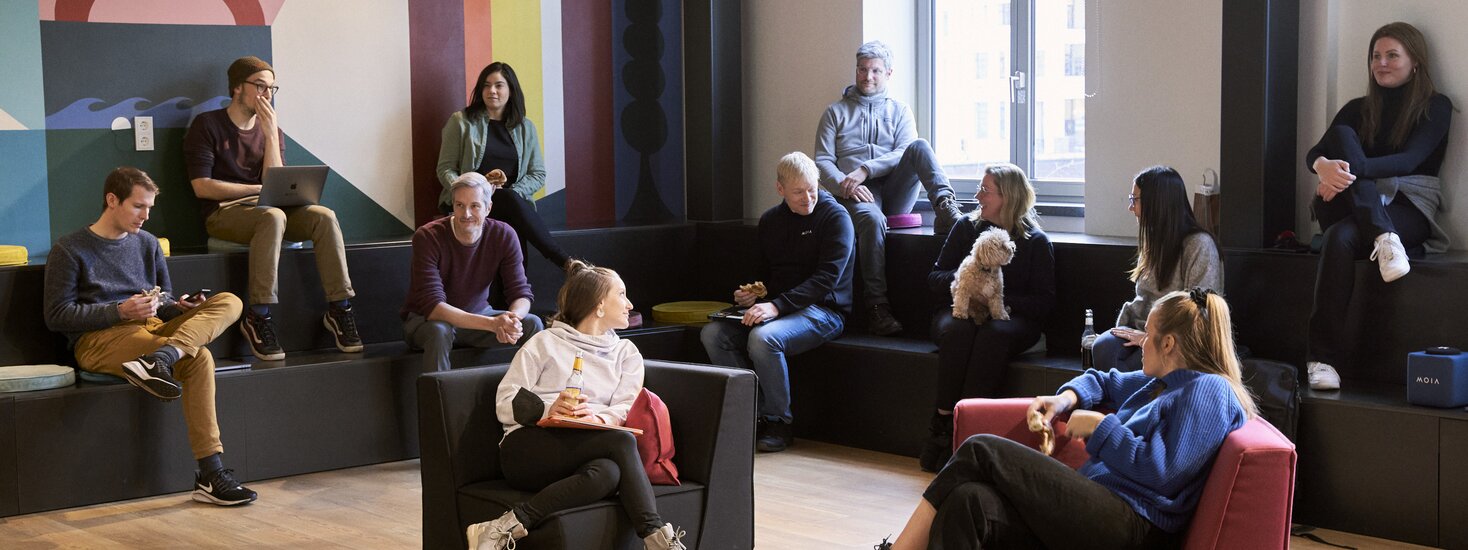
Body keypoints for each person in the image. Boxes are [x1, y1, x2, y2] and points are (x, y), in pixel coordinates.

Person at [878, 289, 1257, 550]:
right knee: (968, 502)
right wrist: (1063, 400)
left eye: (1148, 334)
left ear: (1169, 344)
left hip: (1131, 525)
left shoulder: (1209, 391)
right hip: (1102, 510)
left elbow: (1163, 471)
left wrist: (1100, 428)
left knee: (979, 450)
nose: (1141, 341)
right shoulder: (1159, 383)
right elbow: (1103, 381)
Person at [42, 167, 258, 506]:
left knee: (230, 301)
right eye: (138, 207)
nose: (145, 216)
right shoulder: (70, 249)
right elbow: (57, 316)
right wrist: (119, 311)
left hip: (153, 332)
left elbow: (164, 300)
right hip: (99, 340)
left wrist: (179, 308)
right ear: (112, 200)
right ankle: (211, 472)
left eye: (149, 208)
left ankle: (162, 359)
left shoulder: (148, 244)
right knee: (199, 355)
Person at [466, 260, 686, 550]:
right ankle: (658, 539)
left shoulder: (626, 353)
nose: (630, 303)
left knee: (608, 472)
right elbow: (505, 401)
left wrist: (593, 418)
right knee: (620, 443)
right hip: (527, 450)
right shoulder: (544, 343)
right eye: (621, 294)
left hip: (587, 447)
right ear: (598, 305)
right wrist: (548, 410)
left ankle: (501, 528)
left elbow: (623, 409)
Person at [1303, 22, 1452, 391]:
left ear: (1415, 61)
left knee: (1339, 238)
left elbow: (1409, 160)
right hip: (1360, 207)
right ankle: (1385, 238)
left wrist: (1349, 173)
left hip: (1409, 205)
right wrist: (1324, 167)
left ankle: (1321, 358)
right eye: (1376, 56)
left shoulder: (1436, 106)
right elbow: (1316, 152)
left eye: (1392, 55)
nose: (1381, 63)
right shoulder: (1357, 109)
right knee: (1339, 135)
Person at [183, 56, 363, 361]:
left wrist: (268, 134)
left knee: (324, 216)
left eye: (272, 89)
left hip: (268, 207)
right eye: (260, 86)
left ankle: (340, 309)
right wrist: (258, 190)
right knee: (273, 215)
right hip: (224, 212)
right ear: (238, 88)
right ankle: (258, 315)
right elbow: (202, 186)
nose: (267, 95)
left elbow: (273, 181)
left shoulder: (272, 129)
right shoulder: (208, 124)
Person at [700, 151, 855, 453]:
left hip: (824, 310)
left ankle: (779, 422)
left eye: (812, 189)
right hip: (779, 307)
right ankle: (750, 414)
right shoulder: (771, 221)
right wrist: (751, 294)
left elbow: (827, 279)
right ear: (780, 189)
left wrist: (776, 306)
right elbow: (763, 273)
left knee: (763, 339)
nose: (808, 198)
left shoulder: (836, 219)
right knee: (713, 335)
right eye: (798, 192)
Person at [815, 40, 965, 336]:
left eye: (874, 71)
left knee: (920, 146)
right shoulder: (835, 112)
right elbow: (821, 160)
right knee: (871, 219)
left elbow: (904, 151)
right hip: (855, 195)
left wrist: (865, 169)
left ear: (888, 73)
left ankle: (946, 207)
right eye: (861, 70)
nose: (867, 76)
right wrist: (846, 185)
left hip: (894, 190)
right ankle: (877, 308)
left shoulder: (900, 110)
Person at [920, 163, 1055, 472]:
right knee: (959, 330)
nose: (977, 196)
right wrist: (966, 280)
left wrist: (998, 298)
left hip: (1011, 318)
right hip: (960, 307)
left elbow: (1045, 302)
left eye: (985, 190)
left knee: (993, 333)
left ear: (1007, 197)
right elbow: (934, 277)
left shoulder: (1035, 241)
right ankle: (941, 424)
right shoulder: (966, 228)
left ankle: (969, 430)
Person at [437, 61, 573, 272]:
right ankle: (564, 261)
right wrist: (474, 191)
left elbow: (538, 174)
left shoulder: (526, 127)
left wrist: (512, 193)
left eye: (499, 85)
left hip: (508, 204)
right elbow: (445, 169)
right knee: (511, 205)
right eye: (486, 85)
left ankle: (516, 297)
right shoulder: (461, 121)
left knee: (510, 205)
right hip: (469, 203)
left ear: (511, 90)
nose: (492, 90)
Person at [401, 172, 544, 373]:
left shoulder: (504, 234)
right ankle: (436, 403)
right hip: (426, 322)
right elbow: (434, 308)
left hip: (478, 317)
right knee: (440, 331)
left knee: (532, 324)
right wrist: (493, 324)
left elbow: (521, 293)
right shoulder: (428, 236)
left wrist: (512, 320)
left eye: (474, 206)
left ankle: (531, 398)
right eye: (460, 205)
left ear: (488, 208)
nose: (466, 214)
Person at [1091, 166, 1223, 374]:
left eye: (1135, 200)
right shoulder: (1155, 242)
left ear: (1156, 203)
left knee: (1125, 365)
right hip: (1143, 329)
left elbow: (1200, 312)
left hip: (1176, 339)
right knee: (1103, 347)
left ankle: (1133, 403)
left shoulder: (1199, 245)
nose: (1130, 208)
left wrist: (1150, 339)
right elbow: (1144, 300)